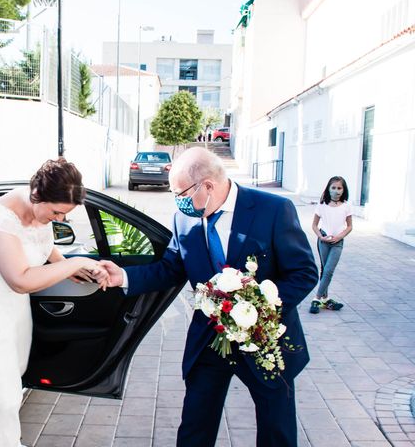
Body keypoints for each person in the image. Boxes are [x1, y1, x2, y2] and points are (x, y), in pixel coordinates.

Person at [96, 147, 318, 447]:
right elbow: (171, 269)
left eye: (181, 193)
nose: (179, 202)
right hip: (210, 341)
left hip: (265, 341)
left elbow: (303, 273)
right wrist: (121, 276)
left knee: (276, 427)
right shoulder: (184, 219)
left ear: (208, 186)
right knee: (195, 423)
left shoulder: (274, 210)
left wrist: (259, 308)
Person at [0, 158, 106, 447]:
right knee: (3, 395)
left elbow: (47, 251)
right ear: (39, 195)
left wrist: (81, 270)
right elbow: (20, 280)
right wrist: (73, 264)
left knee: (8, 384)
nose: (60, 220)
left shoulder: (40, 212)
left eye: (66, 215)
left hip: (11, 309)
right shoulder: (1, 220)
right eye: (57, 213)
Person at [309, 176, 352, 314]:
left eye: (339, 188)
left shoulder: (346, 206)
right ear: (328, 189)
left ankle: (316, 298)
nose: (336, 191)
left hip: (337, 242)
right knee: (324, 268)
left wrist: (340, 236)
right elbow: (314, 225)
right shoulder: (322, 205)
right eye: (333, 188)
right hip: (323, 240)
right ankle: (325, 298)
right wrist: (321, 236)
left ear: (343, 190)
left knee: (329, 270)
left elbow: (349, 226)